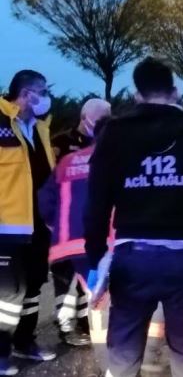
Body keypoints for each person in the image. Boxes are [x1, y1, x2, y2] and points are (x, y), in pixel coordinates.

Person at [84, 57, 183, 377]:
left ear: (137, 95)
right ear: (176, 92)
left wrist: (96, 258)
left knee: (124, 349)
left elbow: (95, 204)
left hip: (132, 259)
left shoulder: (113, 135)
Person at [0, 70, 57, 375]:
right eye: (41, 91)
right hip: (6, 226)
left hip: (38, 224)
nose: (46, 96)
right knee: (8, 293)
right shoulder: (0, 122)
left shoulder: (39, 128)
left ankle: (24, 341)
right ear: (25, 94)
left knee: (34, 287)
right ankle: (0, 351)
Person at [41, 110, 111, 347]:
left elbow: (45, 200)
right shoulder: (114, 161)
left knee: (74, 288)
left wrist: (57, 225)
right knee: (98, 290)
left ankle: (82, 329)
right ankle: (103, 339)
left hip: (65, 241)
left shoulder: (68, 161)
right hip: (101, 242)